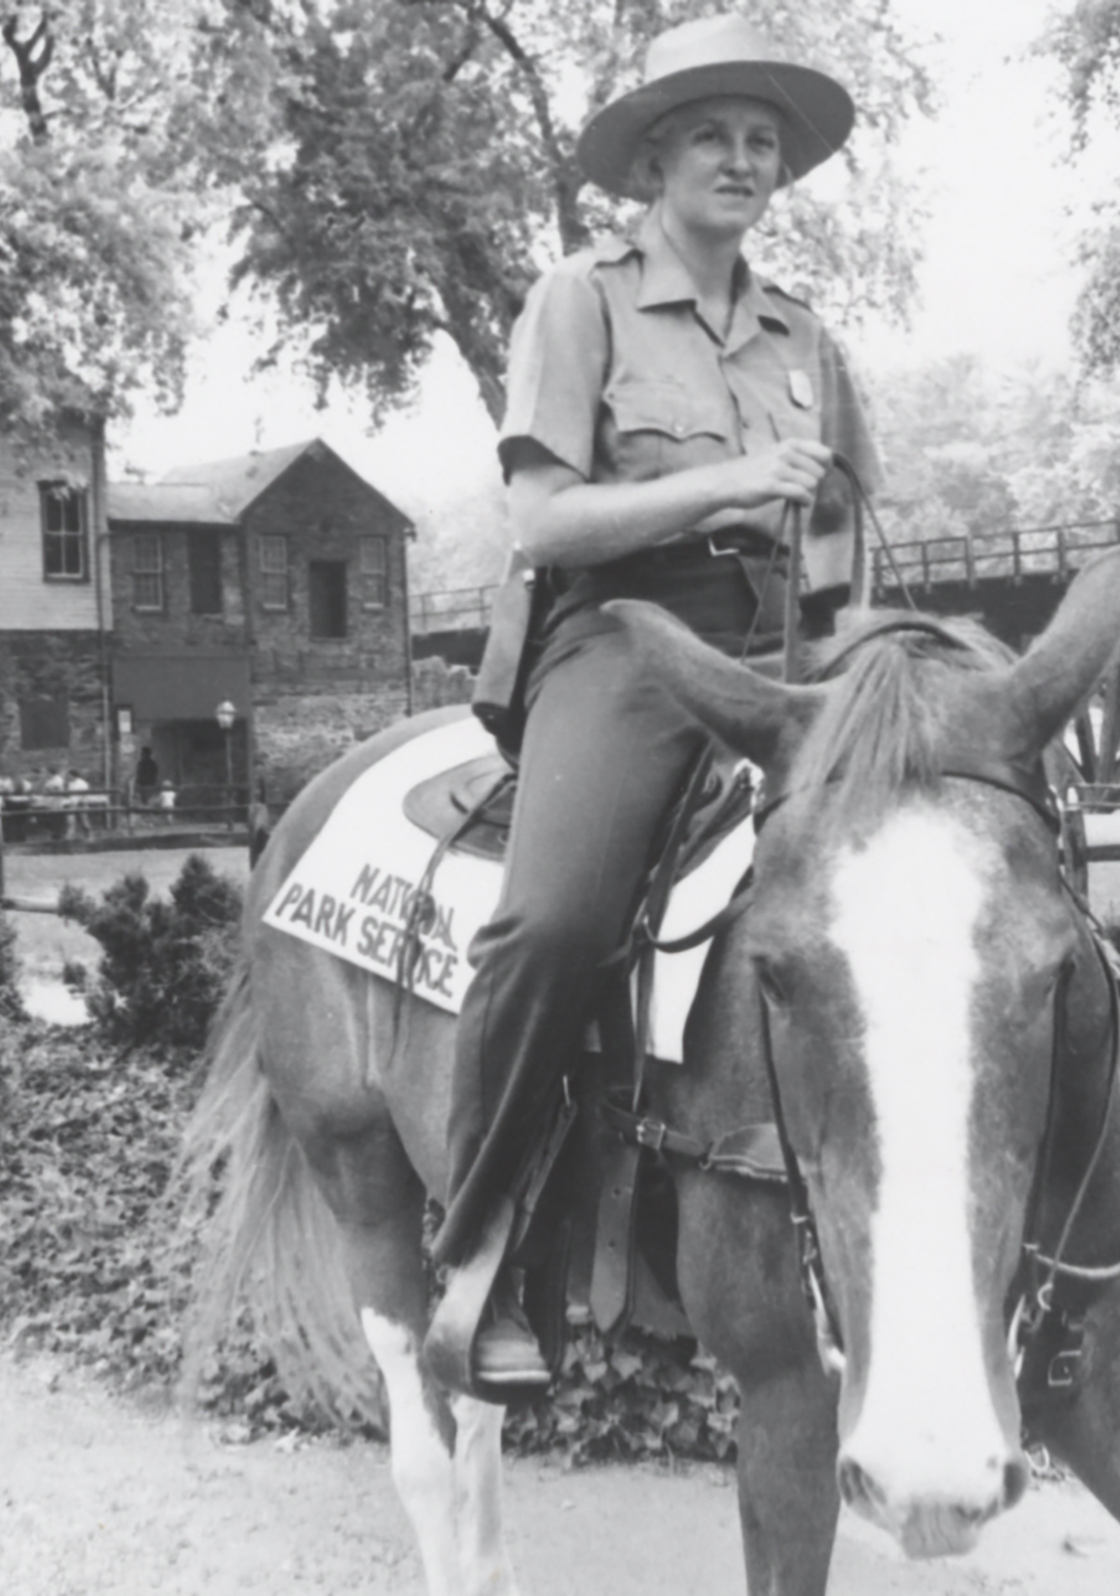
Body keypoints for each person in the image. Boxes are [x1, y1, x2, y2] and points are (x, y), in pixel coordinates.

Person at [430, 13, 879, 1389]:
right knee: (557, 920)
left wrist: (863, 656)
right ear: (657, 161)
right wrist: (726, 486)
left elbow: (847, 535)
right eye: (714, 139)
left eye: (763, 144)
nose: (743, 162)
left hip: (787, 649)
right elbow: (544, 523)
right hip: (627, 640)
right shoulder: (585, 298)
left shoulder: (808, 335)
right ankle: (481, 1252)